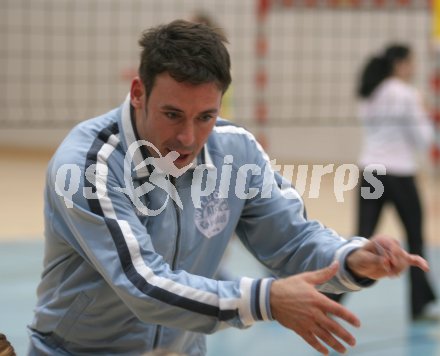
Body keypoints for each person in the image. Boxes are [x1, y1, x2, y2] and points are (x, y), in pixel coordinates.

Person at [28, 22, 429, 356]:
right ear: (138, 93)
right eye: (172, 114)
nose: (188, 137)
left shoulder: (234, 150)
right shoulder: (88, 165)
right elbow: (143, 283)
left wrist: (351, 258)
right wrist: (265, 300)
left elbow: (292, 240)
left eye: (206, 116)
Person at [356, 44, 437, 320]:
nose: (414, 68)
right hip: (399, 174)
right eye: (412, 62)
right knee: (415, 239)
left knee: (361, 237)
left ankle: (327, 292)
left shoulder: (370, 90)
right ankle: (419, 305)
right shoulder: (406, 94)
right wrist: (425, 111)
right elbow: (424, 139)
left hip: (371, 171)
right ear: (401, 64)